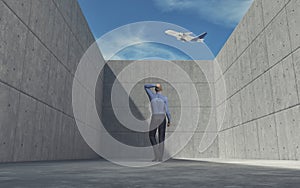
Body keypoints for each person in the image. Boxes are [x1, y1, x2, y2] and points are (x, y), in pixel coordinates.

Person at [144, 83, 171, 162]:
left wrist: (154, 84)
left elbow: (145, 86)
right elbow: (167, 111)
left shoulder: (152, 96)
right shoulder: (164, 98)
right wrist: (169, 120)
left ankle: (157, 155)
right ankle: (160, 157)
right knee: (161, 137)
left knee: (152, 135)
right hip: (162, 117)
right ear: (161, 90)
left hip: (155, 117)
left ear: (155, 89)